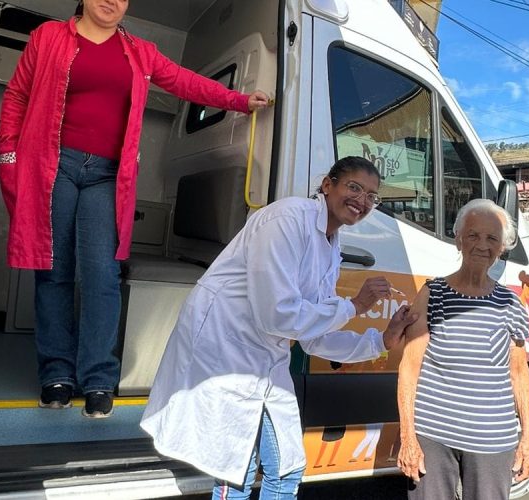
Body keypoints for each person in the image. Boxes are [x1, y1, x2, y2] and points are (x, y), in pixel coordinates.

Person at [0, 0, 269, 418]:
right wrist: (9, 156)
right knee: (54, 271)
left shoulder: (139, 51)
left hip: (107, 175)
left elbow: (185, 83)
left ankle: (99, 378)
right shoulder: (47, 37)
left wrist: (239, 100)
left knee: (102, 274)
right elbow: (17, 95)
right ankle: (56, 374)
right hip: (53, 166)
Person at [141, 156, 418, 499]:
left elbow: (313, 337)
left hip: (265, 358)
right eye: (354, 187)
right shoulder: (287, 219)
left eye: (372, 196)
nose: (362, 200)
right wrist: (354, 306)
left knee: (287, 470)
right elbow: (279, 316)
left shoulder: (331, 246)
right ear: (328, 185)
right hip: (227, 349)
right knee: (236, 469)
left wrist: (381, 341)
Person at [397, 198, 529, 500]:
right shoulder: (433, 294)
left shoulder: (511, 304)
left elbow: (519, 373)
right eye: (473, 235)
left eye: (492, 238)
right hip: (432, 437)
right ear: (459, 239)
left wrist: (528, 439)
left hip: (492, 442)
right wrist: (408, 436)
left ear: (501, 248)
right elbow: (409, 368)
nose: (482, 245)